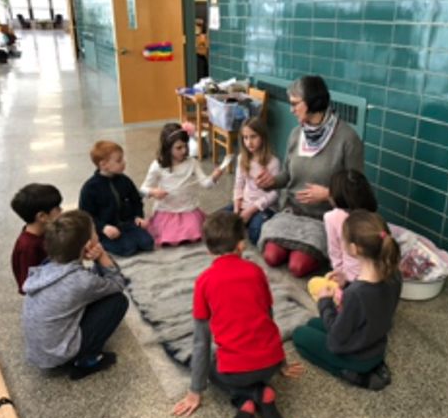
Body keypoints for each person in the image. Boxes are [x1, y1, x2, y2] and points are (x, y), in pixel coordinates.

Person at [172, 212, 303, 418]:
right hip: (271, 363)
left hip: (237, 373)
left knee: (211, 367)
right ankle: (260, 397)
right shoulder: (256, 271)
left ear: (208, 250)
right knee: (242, 359)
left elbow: (201, 342)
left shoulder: (204, 282)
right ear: (241, 245)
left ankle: (252, 396)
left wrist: (195, 391)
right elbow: (269, 318)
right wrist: (281, 363)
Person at [256, 75, 364, 278]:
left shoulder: (348, 140)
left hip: (323, 218)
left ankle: (316, 248)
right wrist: (272, 182)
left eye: (295, 104)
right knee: (271, 256)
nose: (291, 109)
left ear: (314, 103)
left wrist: (328, 194)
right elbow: (287, 175)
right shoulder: (297, 134)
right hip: (293, 211)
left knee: (298, 266)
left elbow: (357, 190)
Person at [292, 210, 402, 391]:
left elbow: (336, 338)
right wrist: (347, 282)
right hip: (376, 344)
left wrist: (324, 301)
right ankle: (374, 365)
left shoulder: (356, 294)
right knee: (312, 323)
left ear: (354, 249)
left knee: (300, 334)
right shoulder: (394, 274)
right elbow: (371, 301)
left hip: (356, 355)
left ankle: (352, 373)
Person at [22, 210, 129, 380]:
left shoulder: (46, 266)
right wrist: (101, 256)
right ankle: (86, 361)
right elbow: (117, 283)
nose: (97, 234)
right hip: (59, 354)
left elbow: (91, 284)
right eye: (95, 231)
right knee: (118, 301)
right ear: (87, 245)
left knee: (96, 294)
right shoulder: (81, 281)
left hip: (39, 351)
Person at [140, 123, 222, 246]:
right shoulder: (157, 166)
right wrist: (153, 192)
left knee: (193, 232)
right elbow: (142, 189)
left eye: (185, 146)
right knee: (170, 236)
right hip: (167, 212)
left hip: (188, 210)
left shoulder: (192, 162)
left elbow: (206, 184)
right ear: (167, 148)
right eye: (179, 148)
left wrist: (214, 177)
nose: (184, 151)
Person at [307, 169, 378, 303]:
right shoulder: (373, 217)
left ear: (336, 196)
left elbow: (335, 253)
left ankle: (338, 297)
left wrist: (340, 280)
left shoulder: (332, 217)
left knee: (313, 284)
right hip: (374, 280)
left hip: (350, 282)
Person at [79, 140, 154, 256]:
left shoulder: (125, 180)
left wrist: (138, 217)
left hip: (128, 224)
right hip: (108, 229)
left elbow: (136, 201)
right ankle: (104, 242)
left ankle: (129, 238)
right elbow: (86, 215)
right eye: (119, 160)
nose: (124, 163)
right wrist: (103, 227)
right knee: (128, 249)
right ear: (103, 165)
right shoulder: (90, 188)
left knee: (147, 243)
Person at [229, 117, 280, 245]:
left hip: (264, 207)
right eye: (245, 137)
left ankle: (251, 224)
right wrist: (236, 210)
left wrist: (250, 211)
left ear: (262, 137)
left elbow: (274, 194)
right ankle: (244, 223)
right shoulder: (242, 158)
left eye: (253, 137)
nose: (249, 142)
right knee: (218, 221)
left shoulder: (273, 162)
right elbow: (238, 185)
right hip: (244, 204)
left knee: (254, 234)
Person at [10, 183, 63, 295]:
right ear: (42, 217)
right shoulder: (28, 247)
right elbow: (27, 285)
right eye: (57, 208)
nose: (61, 211)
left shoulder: (45, 232)